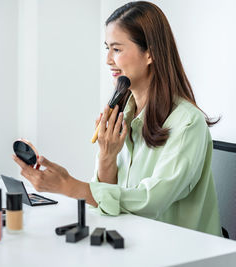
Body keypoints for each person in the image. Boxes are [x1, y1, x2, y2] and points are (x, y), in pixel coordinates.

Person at [12, 1, 221, 236]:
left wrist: (68, 186)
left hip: (183, 252)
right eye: (107, 48)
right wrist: (106, 156)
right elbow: (108, 205)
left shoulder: (187, 123)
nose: (108, 60)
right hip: (132, 244)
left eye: (117, 49)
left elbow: (152, 201)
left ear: (150, 53)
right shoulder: (122, 116)